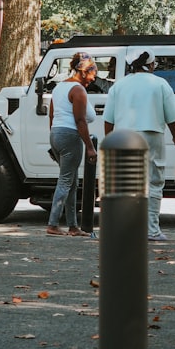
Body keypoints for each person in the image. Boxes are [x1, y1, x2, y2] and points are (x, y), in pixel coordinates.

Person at [103, 49, 175, 241]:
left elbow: (108, 118)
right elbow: (171, 116)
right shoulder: (160, 84)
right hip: (152, 135)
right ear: (151, 65)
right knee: (154, 182)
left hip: (123, 136)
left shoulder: (119, 85)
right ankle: (152, 230)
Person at [46, 51, 99, 236]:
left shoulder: (59, 87)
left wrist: (53, 138)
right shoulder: (78, 90)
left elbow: (51, 115)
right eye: (93, 74)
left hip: (56, 133)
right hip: (70, 136)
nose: (94, 79)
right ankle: (52, 224)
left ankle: (73, 226)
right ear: (84, 72)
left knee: (72, 182)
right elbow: (80, 121)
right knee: (66, 181)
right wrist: (90, 148)